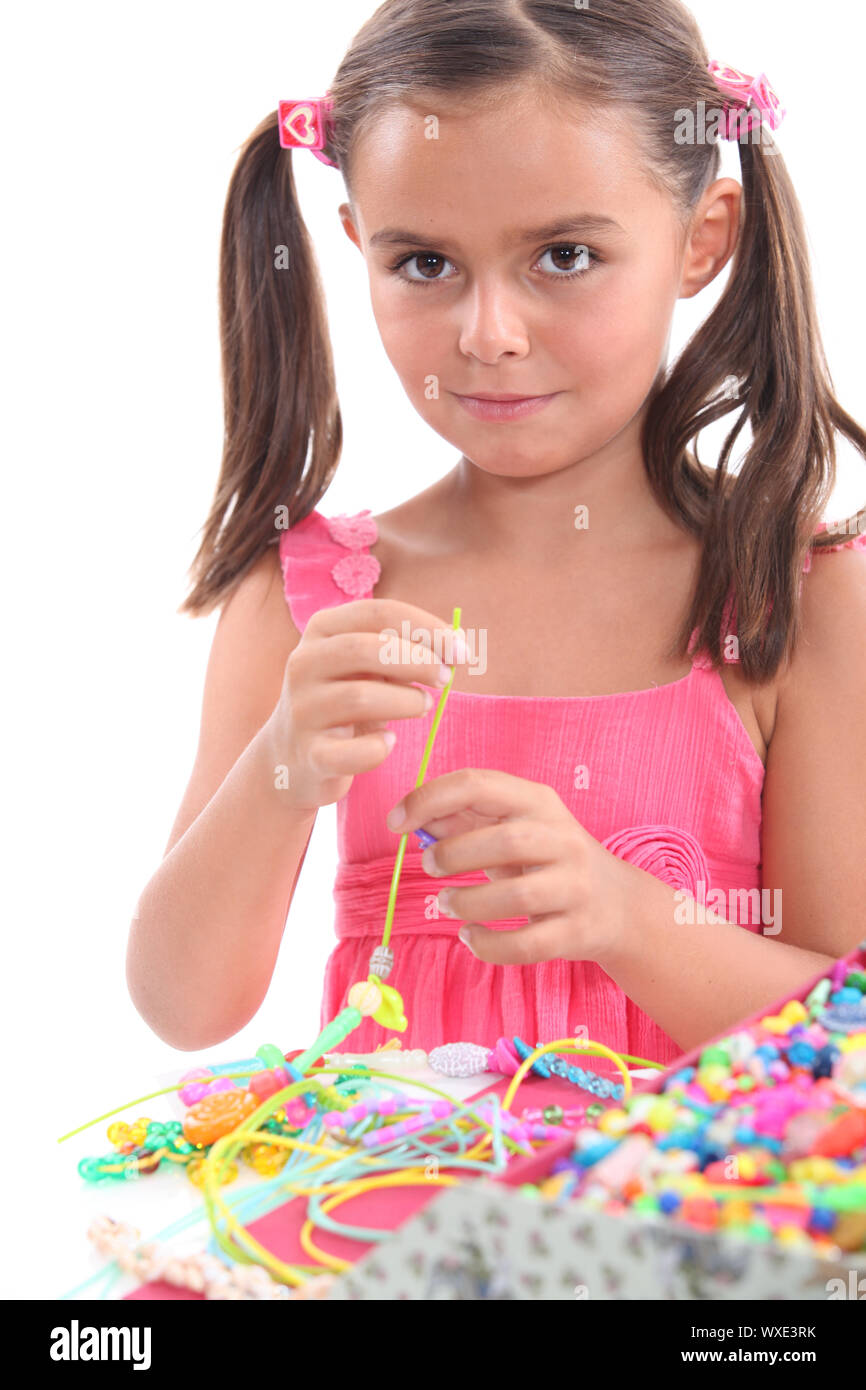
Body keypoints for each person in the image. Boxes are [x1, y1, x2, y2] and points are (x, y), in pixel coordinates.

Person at [126, 0, 866, 1064]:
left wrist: (623, 915)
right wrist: (282, 764)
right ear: (356, 249)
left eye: (562, 255)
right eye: (423, 264)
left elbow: (848, 1044)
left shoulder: (795, 594)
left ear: (702, 241)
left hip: (680, 1223)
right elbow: (181, 1004)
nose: (489, 335)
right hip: (378, 1218)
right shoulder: (304, 602)